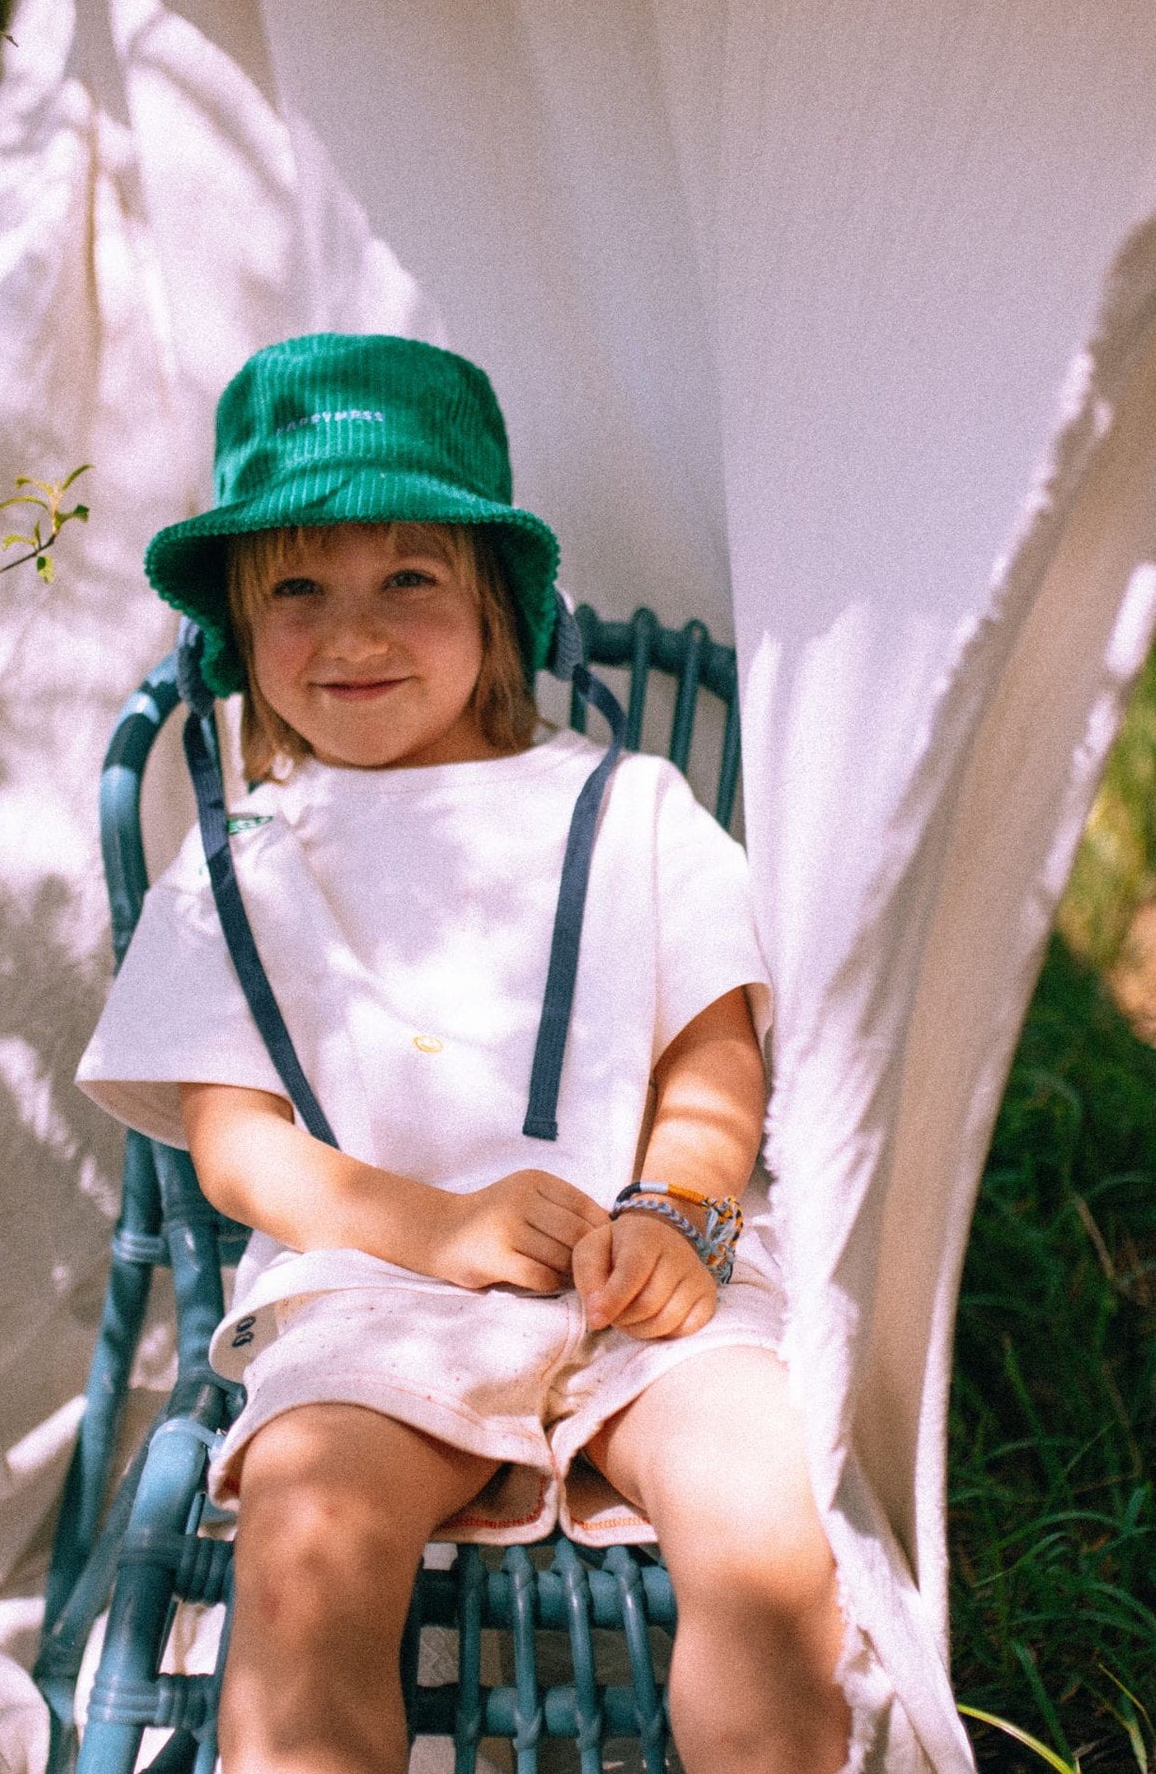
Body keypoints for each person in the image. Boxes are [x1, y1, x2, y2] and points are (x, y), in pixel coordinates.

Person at [77, 333, 851, 1774]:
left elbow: (707, 1058)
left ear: (495, 605)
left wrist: (678, 1213)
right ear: (240, 633)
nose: (349, 632)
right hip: (374, 1291)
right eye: (294, 588)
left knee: (770, 1532)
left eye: (407, 580)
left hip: (647, 1280)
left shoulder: (626, 804)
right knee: (307, 1552)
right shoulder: (245, 856)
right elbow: (239, 1146)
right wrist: (430, 1227)